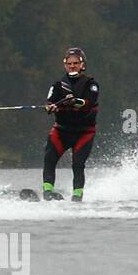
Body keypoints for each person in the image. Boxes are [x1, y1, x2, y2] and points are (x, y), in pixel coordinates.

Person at [42, 47, 100, 202]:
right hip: (62, 131)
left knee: (78, 163)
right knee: (49, 158)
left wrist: (75, 101)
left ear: (82, 65)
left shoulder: (91, 84)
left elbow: (89, 102)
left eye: (75, 63)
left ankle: (77, 196)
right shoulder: (57, 85)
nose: (72, 66)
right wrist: (50, 107)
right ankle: (47, 193)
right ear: (65, 65)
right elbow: (49, 103)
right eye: (69, 63)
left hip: (84, 132)